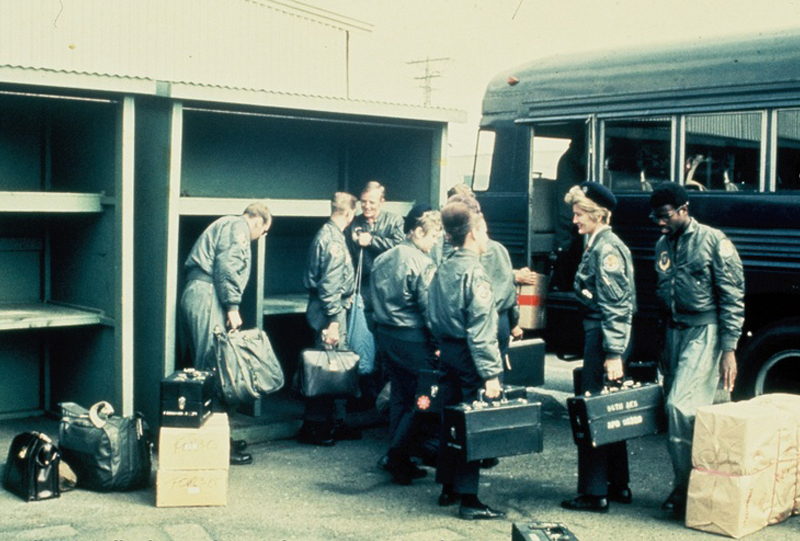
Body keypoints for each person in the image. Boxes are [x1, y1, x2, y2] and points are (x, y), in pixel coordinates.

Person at [649, 182, 744, 517]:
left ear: (684, 209)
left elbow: (732, 296)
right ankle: (696, 486)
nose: (660, 222)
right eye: (656, 217)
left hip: (705, 331)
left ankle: (686, 488)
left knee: (680, 407)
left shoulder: (713, 241)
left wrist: (728, 348)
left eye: (665, 216)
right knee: (679, 411)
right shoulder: (663, 243)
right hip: (674, 334)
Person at [560, 182, 636, 513]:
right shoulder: (596, 243)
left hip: (605, 336)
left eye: (578, 214)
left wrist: (614, 354)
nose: (574, 220)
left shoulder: (606, 250)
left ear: (596, 214)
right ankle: (617, 484)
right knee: (612, 410)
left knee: (593, 412)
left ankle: (594, 493)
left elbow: (617, 308)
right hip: (606, 336)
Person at [428, 201, 505, 520]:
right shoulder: (475, 272)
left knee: (449, 421)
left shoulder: (444, 266)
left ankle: (448, 486)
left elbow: (431, 312)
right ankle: (470, 499)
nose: (486, 236)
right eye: (484, 231)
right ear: (473, 233)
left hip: (447, 352)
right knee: (474, 424)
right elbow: (481, 329)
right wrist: (490, 374)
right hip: (471, 355)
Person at [179, 201, 272, 466]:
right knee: (214, 369)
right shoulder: (238, 227)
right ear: (257, 222)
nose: (260, 237)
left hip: (201, 292)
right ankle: (214, 445)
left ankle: (216, 438)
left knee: (206, 367)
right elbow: (228, 266)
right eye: (263, 232)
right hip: (208, 295)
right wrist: (232, 306)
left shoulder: (226, 224)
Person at [370, 205, 442, 485]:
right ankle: (397, 454)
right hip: (413, 338)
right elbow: (428, 309)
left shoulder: (383, 258)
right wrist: (437, 342)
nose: (435, 241)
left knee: (400, 395)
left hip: (387, 336)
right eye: (433, 235)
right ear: (418, 232)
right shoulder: (422, 264)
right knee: (422, 400)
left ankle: (399, 458)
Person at [296, 192, 363, 446]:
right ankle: (314, 426)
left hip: (326, 308)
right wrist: (334, 321)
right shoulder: (333, 241)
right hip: (329, 311)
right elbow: (330, 286)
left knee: (329, 365)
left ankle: (333, 422)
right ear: (349, 213)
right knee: (324, 368)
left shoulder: (328, 234)